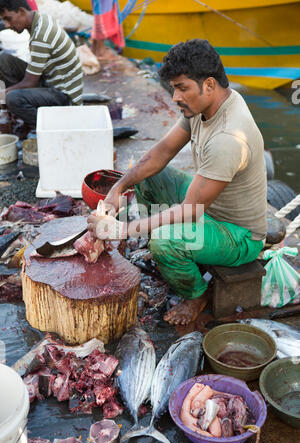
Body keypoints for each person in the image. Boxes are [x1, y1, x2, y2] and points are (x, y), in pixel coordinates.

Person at [87, 39, 267, 326]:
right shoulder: (205, 106)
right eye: (173, 88)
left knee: (165, 241)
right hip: (206, 206)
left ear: (209, 85)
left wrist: (122, 229)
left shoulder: (228, 139)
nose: (175, 97)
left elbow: (189, 211)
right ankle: (165, 247)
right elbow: (160, 154)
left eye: (182, 88)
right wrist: (116, 190)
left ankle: (196, 295)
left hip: (238, 235)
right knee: (147, 173)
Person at [0, 0, 83, 128]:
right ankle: (21, 111)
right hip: (52, 80)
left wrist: (3, 95)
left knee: (13, 99)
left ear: (21, 11)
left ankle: (50, 126)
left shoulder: (41, 36)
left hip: (65, 96)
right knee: (3, 60)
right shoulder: (40, 18)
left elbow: (29, 83)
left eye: (8, 19)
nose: (6, 25)